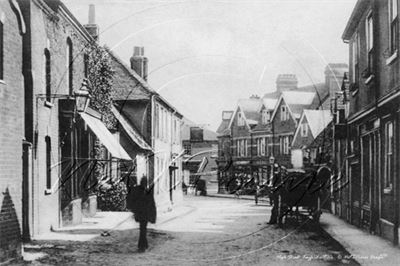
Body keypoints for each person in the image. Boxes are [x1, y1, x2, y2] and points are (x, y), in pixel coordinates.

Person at [130, 176, 156, 252]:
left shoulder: (146, 191)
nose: (144, 184)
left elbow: (152, 204)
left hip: (144, 213)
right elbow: (132, 201)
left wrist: (153, 216)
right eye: (143, 182)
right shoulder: (138, 190)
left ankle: (143, 244)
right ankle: (143, 245)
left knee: (143, 229)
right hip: (141, 213)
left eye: (144, 182)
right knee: (143, 229)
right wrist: (134, 210)